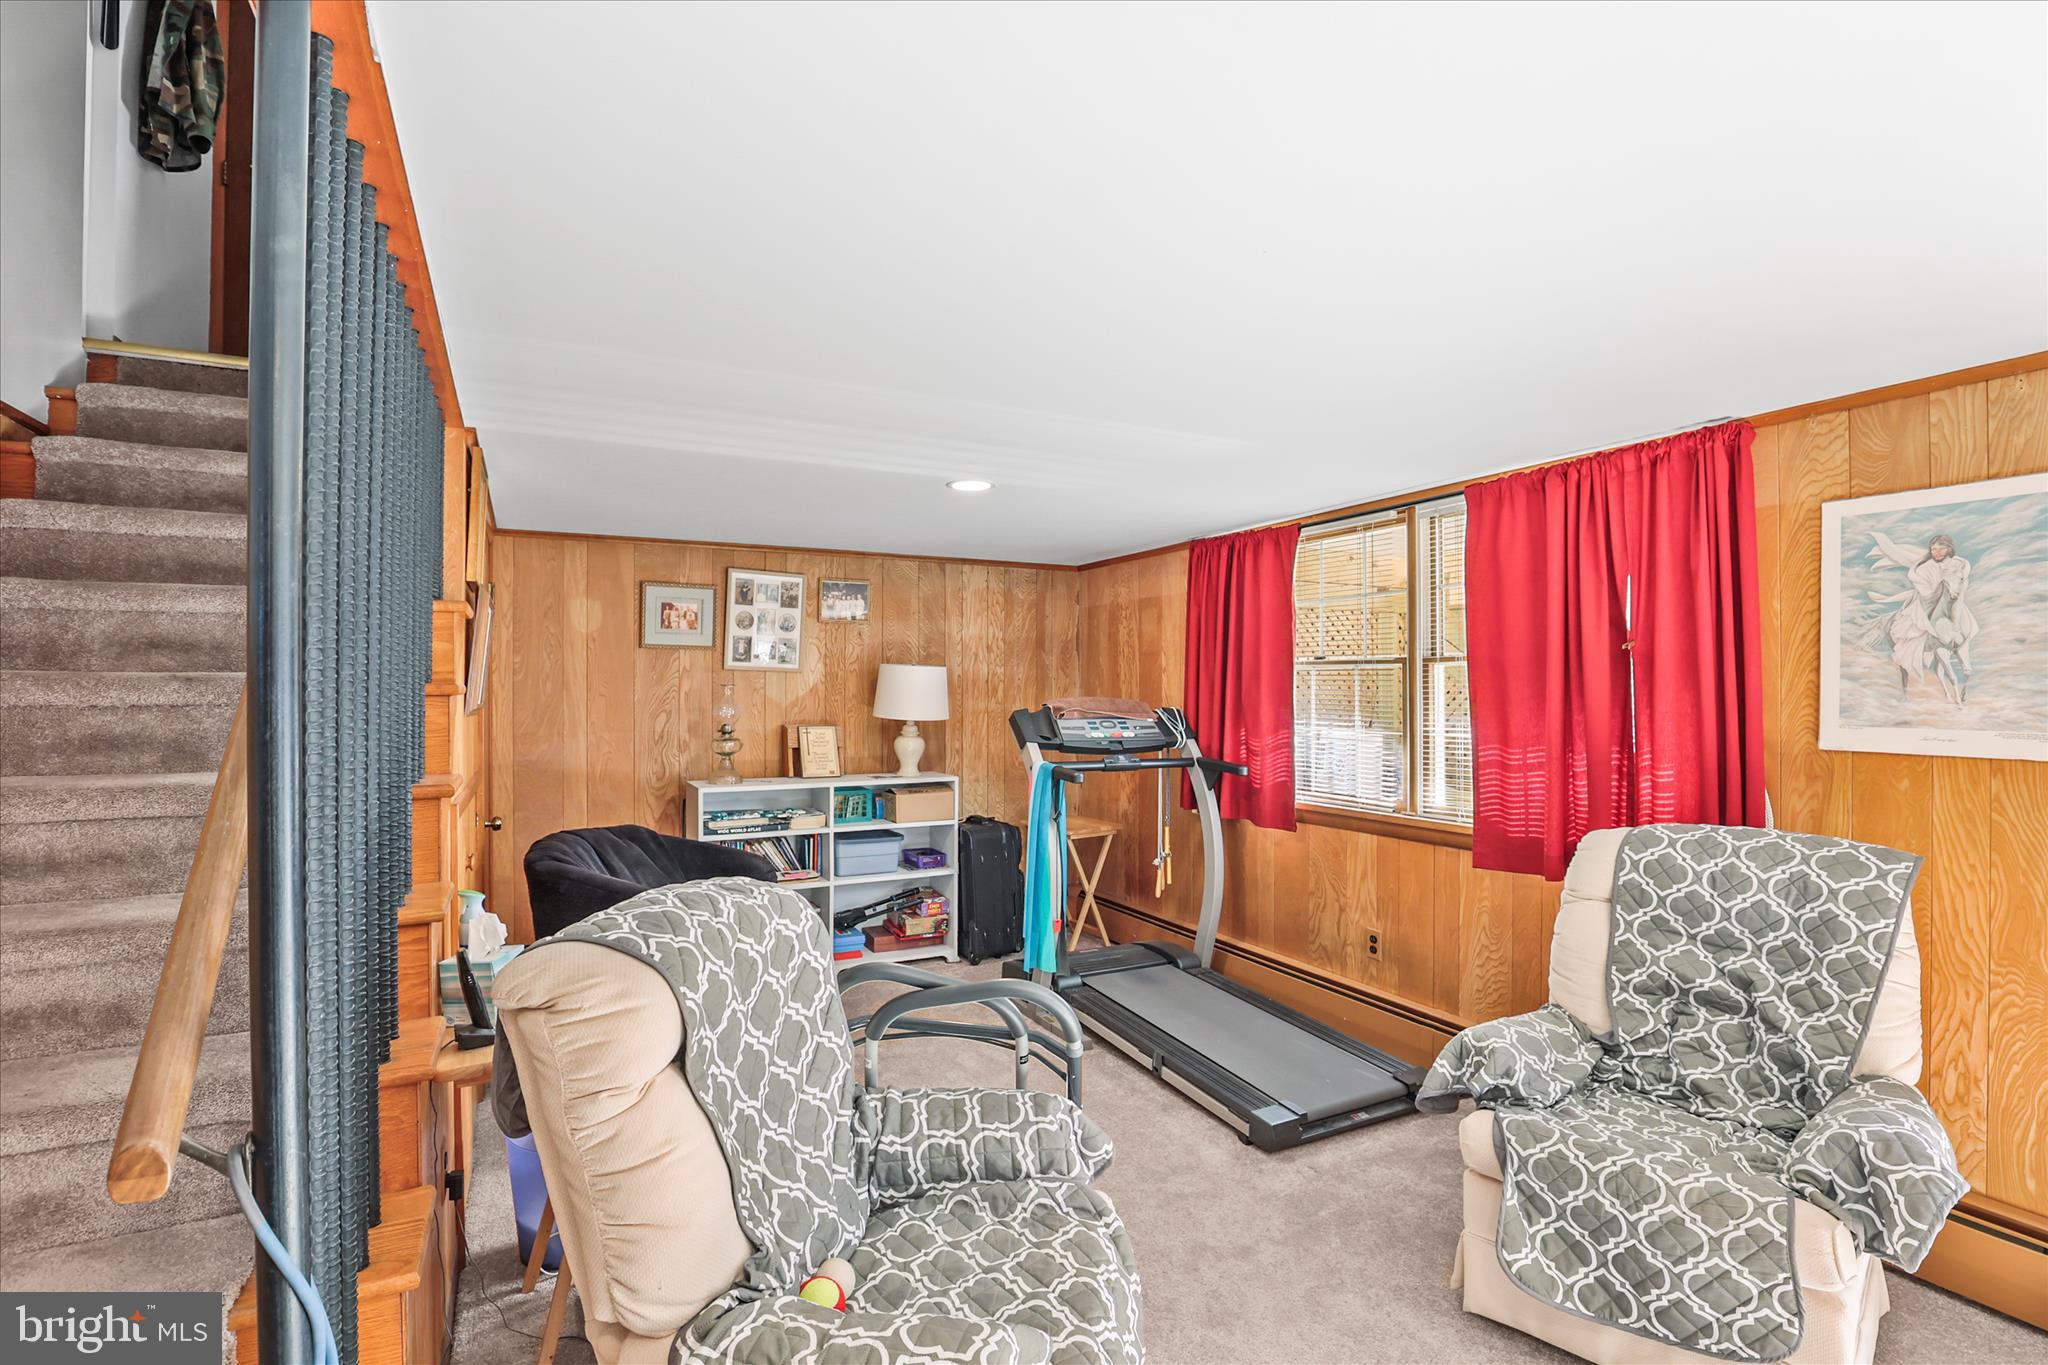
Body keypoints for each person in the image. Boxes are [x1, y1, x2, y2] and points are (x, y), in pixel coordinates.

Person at [1860, 530, 1976, 705]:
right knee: (1912, 628)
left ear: (1949, 549)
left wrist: (1955, 590)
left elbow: (1962, 581)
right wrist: (1940, 590)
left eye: (1941, 548)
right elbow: (1925, 593)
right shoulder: (1924, 569)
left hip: (1952, 602)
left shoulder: (1958, 565)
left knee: (1965, 622)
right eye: (1933, 549)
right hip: (1927, 602)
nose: (1937, 552)